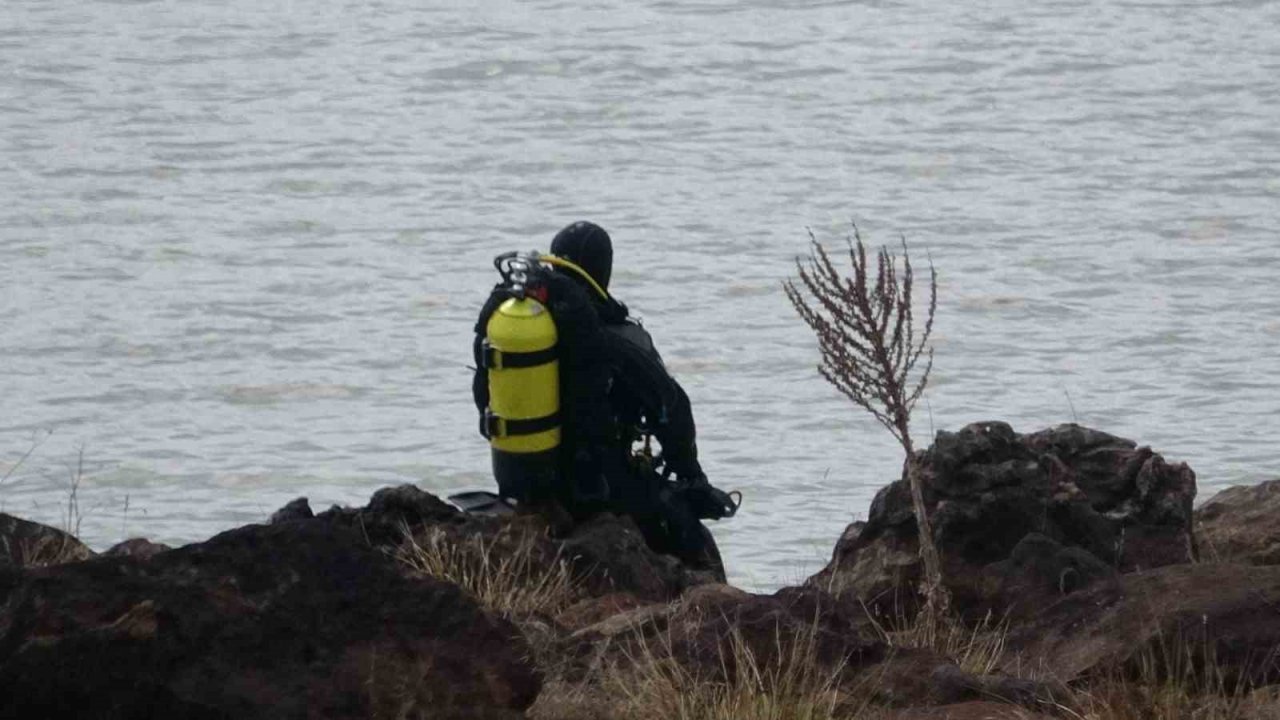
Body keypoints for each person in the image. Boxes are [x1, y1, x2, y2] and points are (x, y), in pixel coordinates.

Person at [472, 221, 737, 574]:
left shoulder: (521, 328)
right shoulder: (617, 339)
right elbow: (671, 409)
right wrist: (692, 479)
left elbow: (484, 395)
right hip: (597, 491)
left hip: (524, 479)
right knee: (691, 538)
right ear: (604, 269)